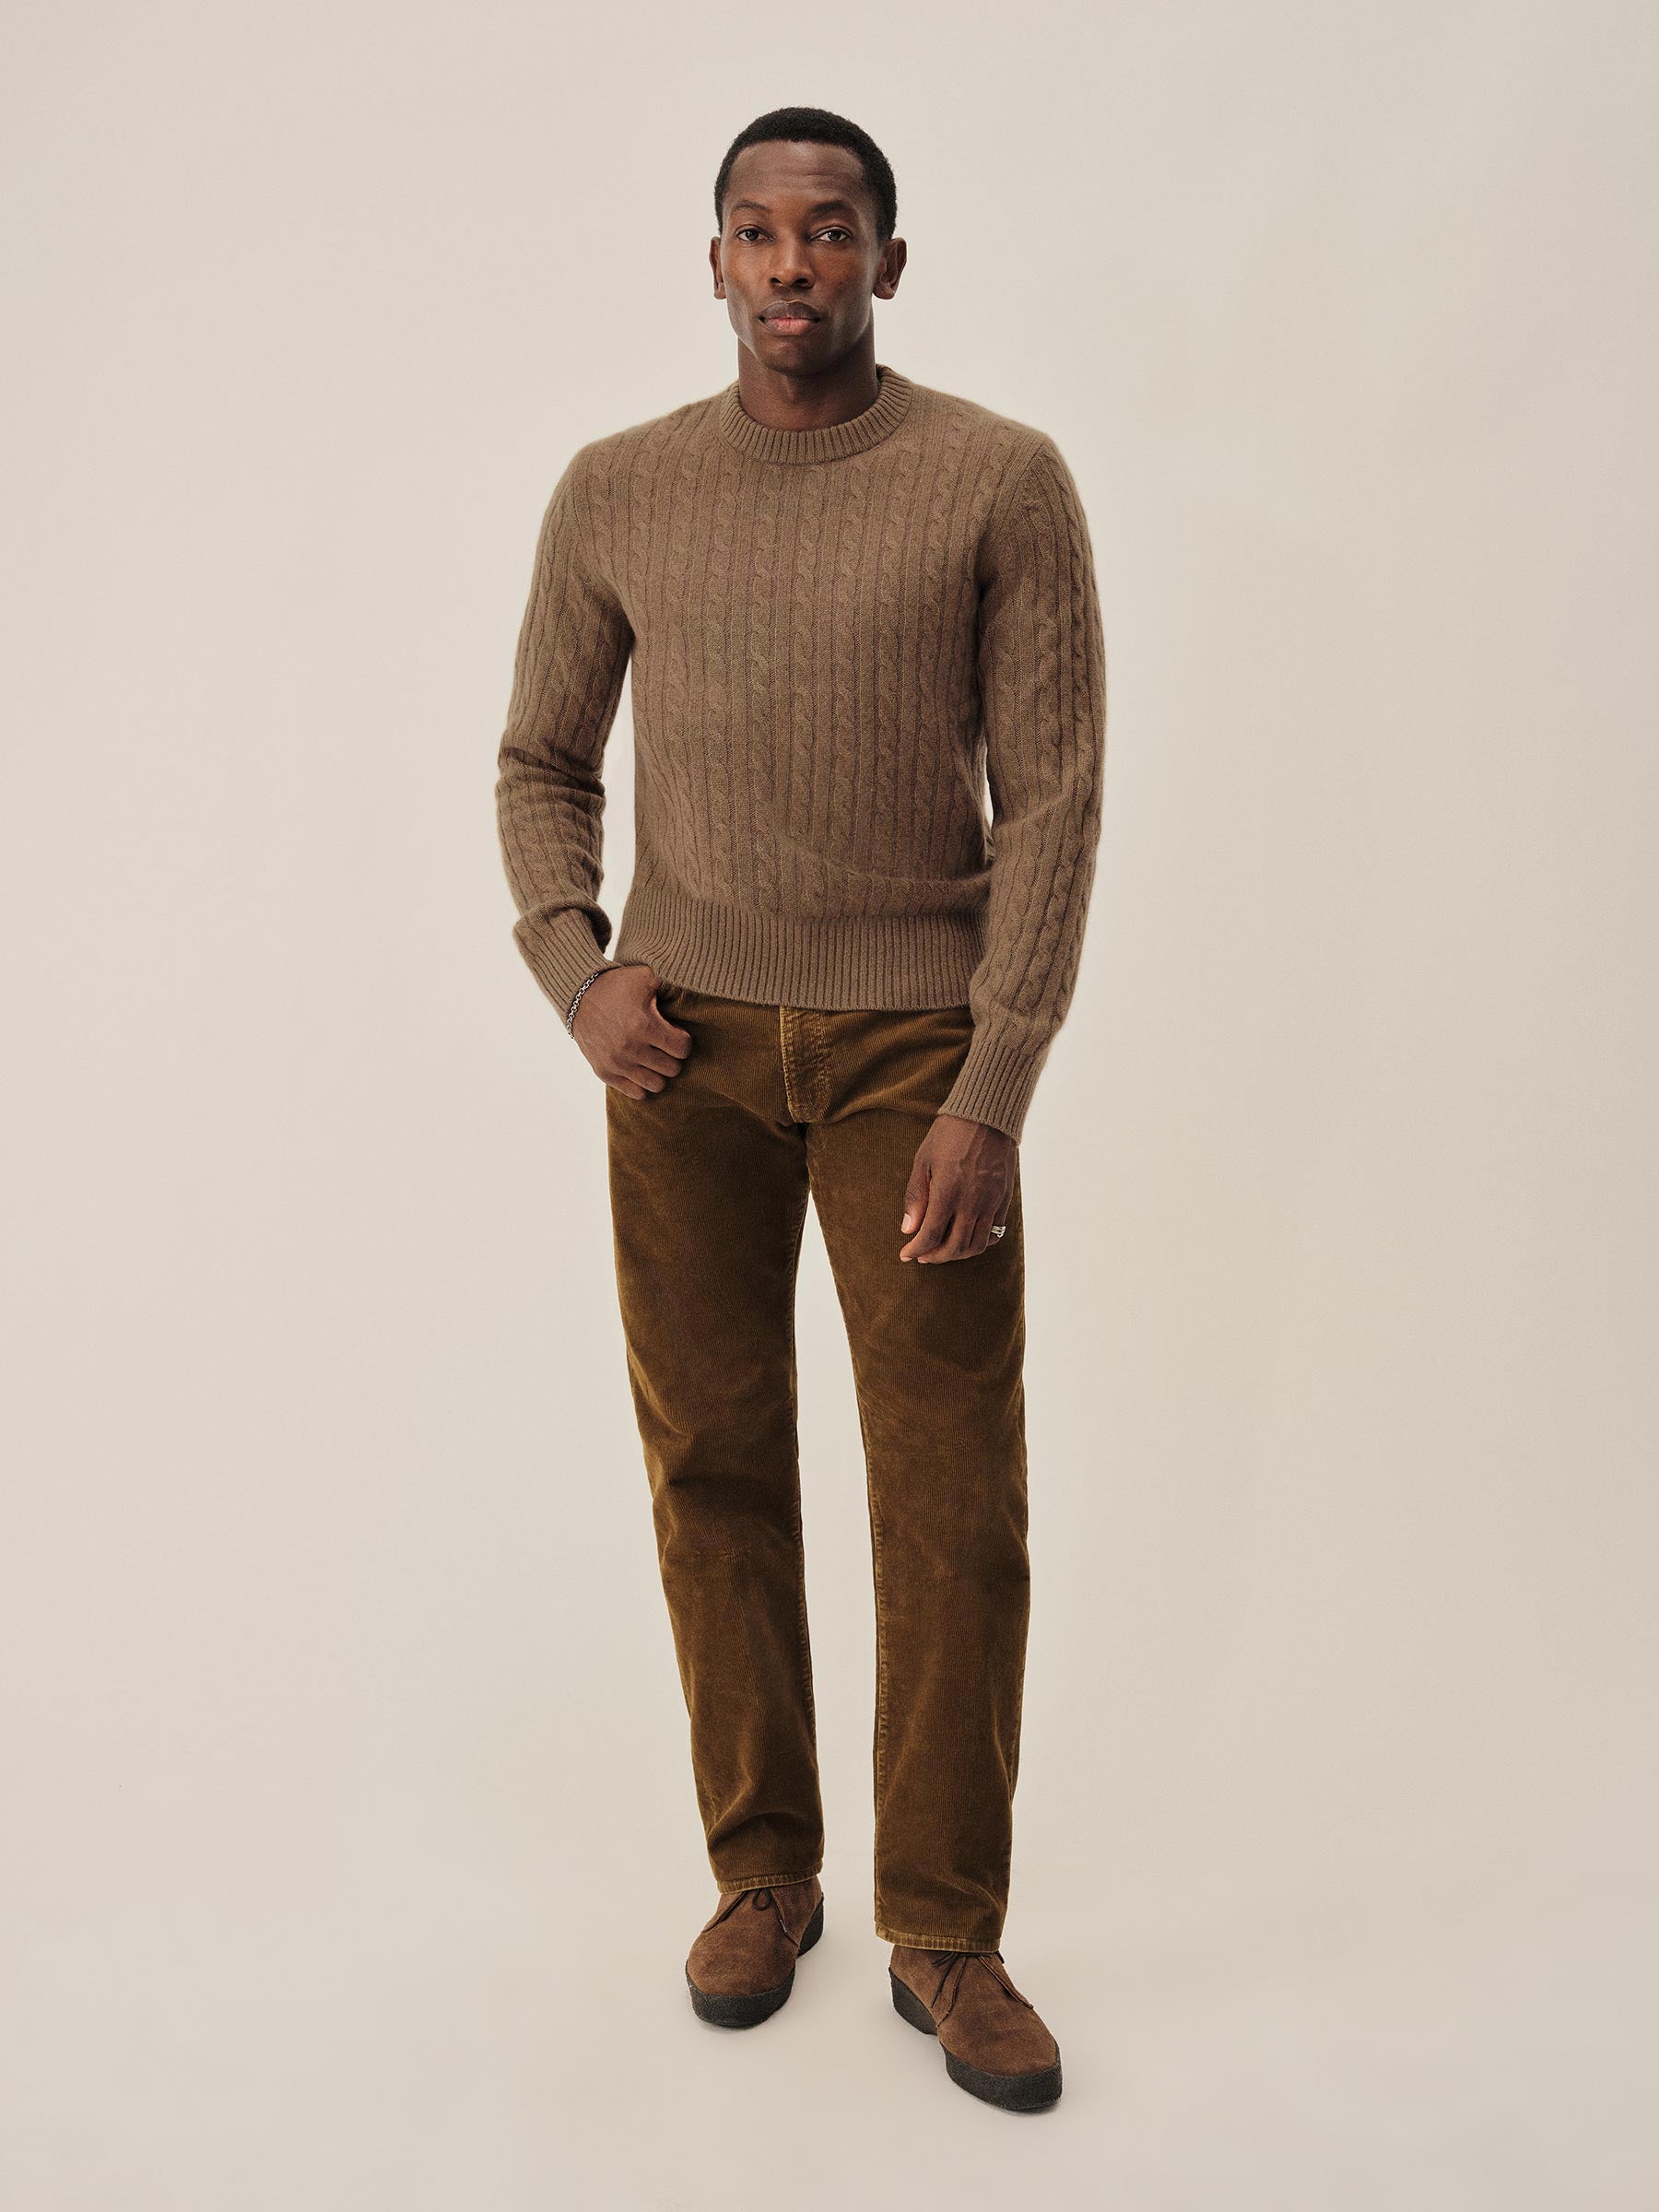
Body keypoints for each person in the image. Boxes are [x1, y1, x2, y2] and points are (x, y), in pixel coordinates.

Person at [494, 104, 1107, 2114]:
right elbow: (541, 758)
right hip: (683, 1061)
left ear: (888, 263)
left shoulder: (998, 479)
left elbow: (1053, 805)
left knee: (951, 1497)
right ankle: (764, 1876)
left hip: (915, 1063)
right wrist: (575, 966)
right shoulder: (618, 488)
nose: (792, 264)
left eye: (830, 230)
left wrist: (994, 1084)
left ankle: (948, 1930)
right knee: (715, 1469)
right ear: (714, 261)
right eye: (757, 231)